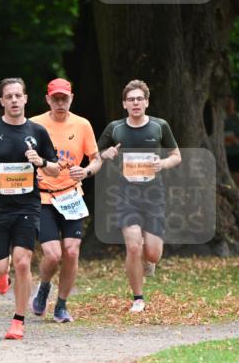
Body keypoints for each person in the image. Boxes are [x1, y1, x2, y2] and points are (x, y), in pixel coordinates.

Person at [0, 77, 59, 340]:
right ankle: (0, 276)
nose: (15, 100)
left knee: (22, 261)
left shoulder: (38, 132)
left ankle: (18, 321)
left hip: (27, 206)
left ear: (26, 99)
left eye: (19, 95)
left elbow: (54, 167)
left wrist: (39, 161)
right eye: (9, 96)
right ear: (2, 101)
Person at [98, 79, 181, 313]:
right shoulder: (115, 128)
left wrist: (162, 163)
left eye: (139, 99)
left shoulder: (159, 126)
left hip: (154, 195)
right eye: (131, 99)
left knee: (152, 254)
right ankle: (138, 298)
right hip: (126, 195)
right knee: (133, 247)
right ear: (124, 104)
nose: (135, 103)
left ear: (146, 102)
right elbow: (96, 153)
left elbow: (176, 155)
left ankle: (148, 259)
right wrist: (107, 153)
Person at [30, 78, 102, 323]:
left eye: (65, 98)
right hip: (43, 197)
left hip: (71, 195)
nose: (60, 103)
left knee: (71, 251)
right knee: (52, 254)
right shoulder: (34, 124)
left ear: (71, 98)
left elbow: (96, 158)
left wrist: (87, 171)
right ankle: (44, 287)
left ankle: (61, 305)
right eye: (56, 98)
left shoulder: (82, 125)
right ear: (48, 99)